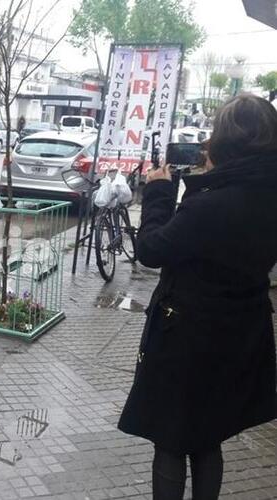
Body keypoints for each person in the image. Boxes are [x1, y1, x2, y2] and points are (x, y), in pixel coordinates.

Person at [118, 93, 277, 499]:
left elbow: (152, 250)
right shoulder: (264, 194)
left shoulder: (213, 203)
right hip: (241, 334)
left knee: (171, 439)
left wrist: (157, 193)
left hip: (189, 339)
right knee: (208, 435)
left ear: (226, 141)